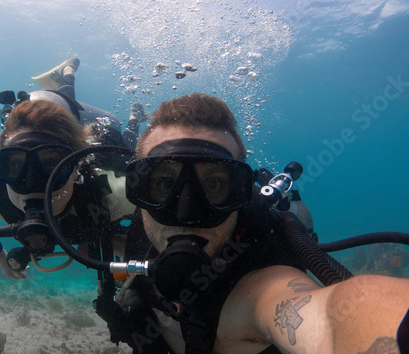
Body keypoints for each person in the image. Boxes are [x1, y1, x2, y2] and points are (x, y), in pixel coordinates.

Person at [106, 93, 409, 353]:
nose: (187, 214)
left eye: (213, 185)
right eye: (163, 184)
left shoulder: (262, 276)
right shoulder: (135, 228)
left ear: (241, 192)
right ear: (139, 192)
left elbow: (330, 318)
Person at [0, 99, 135, 280]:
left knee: (128, 148)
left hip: (106, 155)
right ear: (1, 168)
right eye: (15, 165)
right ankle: (65, 80)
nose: (32, 184)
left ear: (77, 168)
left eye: (52, 164)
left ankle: (134, 118)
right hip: (89, 228)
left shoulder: (115, 193)